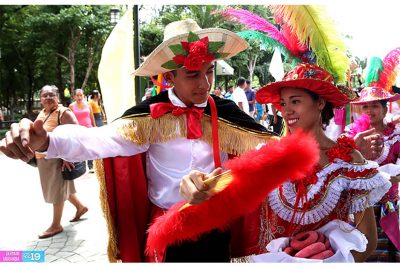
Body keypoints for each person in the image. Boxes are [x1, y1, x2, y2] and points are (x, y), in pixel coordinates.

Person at [0, 19, 275, 262]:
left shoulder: (226, 112)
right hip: (170, 230)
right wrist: (47, 141)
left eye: (209, 72)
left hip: (218, 225)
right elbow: (96, 139)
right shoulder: (148, 117)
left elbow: (268, 147)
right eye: (193, 74)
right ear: (169, 77)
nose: (205, 83)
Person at [179, 63, 391, 262]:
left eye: (295, 101)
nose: (286, 110)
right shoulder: (268, 154)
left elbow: (367, 241)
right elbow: (228, 198)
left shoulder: (348, 161)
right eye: (283, 103)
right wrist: (199, 185)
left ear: (320, 102)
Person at [25, 85, 88, 239]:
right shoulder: (43, 112)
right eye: (44, 95)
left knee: (56, 192)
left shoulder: (64, 112)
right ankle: (80, 207)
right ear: (40, 99)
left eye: (51, 95)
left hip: (57, 159)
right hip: (43, 159)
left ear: (57, 97)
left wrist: (67, 157)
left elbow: (75, 134)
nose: (47, 98)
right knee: (61, 187)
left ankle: (56, 225)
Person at [347, 86, 400, 262]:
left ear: (385, 109)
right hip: (358, 208)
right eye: (365, 107)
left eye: (375, 106)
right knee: (359, 251)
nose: (370, 111)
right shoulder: (350, 135)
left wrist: (390, 179)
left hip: (387, 207)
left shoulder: (396, 136)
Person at [69, 88, 96, 173]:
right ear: (74, 97)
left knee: (89, 147)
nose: (79, 97)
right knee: (80, 148)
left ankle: (90, 166)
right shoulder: (71, 106)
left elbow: (92, 117)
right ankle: (82, 167)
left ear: (83, 96)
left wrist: (94, 127)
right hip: (77, 130)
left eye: (81, 95)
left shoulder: (88, 104)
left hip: (88, 128)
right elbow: (69, 119)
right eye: (77, 95)